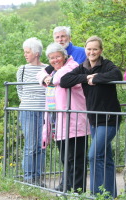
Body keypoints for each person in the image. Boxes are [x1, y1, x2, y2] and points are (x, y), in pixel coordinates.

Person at [60, 36, 122, 198]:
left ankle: (96, 195)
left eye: (95, 49)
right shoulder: (83, 67)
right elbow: (65, 80)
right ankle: (109, 195)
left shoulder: (106, 64)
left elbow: (117, 75)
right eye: (89, 49)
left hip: (109, 118)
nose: (92, 52)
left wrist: (97, 78)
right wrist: (86, 78)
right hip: (93, 119)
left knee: (94, 156)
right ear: (85, 50)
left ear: (100, 51)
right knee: (106, 158)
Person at [37, 43, 89, 192]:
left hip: (75, 119)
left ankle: (78, 190)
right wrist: (45, 76)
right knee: (65, 158)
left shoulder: (72, 66)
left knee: (77, 158)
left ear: (64, 56)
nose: (55, 60)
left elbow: (60, 77)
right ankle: (66, 186)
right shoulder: (54, 70)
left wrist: (49, 78)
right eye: (52, 58)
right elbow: (39, 74)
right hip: (59, 122)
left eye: (57, 57)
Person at [16, 37, 47, 186]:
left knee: (42, 145)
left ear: (36, 53)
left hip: (44, 111)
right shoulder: (22, 69)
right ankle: (28, 178)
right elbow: (19, 88)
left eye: (27, 52)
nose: (25, 55)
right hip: (28, 111)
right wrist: (25, 100)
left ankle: (39, 177)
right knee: (30, 145)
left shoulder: (47, 68)